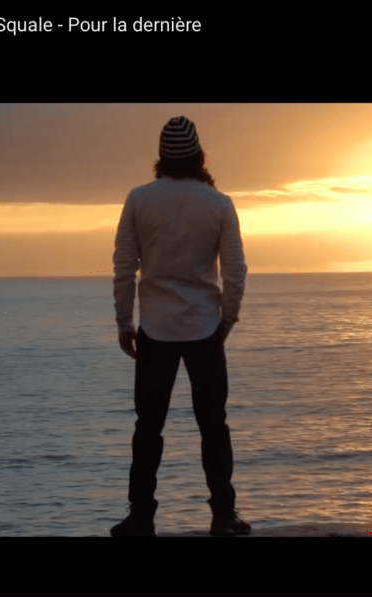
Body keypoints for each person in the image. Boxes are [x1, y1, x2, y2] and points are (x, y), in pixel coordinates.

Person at [110, 116, 249, 537]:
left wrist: (124, 322)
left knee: (148, 427)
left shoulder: (139, 199)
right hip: (205, 326)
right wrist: (227, 319)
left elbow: (124, 268)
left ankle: (141, 517)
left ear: (161, 157)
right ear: (198, 155)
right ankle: (223, 516)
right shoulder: (218, 203)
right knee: (213, 426)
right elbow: (236, 271)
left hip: (155, 327)